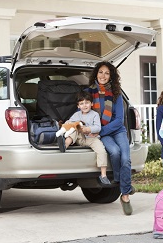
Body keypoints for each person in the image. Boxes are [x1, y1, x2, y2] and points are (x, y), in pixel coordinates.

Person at [86, 61, 135, 216]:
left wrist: (99, 131)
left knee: (126, 159)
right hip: (102, 133)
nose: (103, 76)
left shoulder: (116, 93)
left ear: (111, 76)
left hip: (116, 130)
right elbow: (84, 111)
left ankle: (125, 196)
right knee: (114, 152)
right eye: (101, 72)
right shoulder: (88, 92)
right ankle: (123, 182)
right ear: (96, 74)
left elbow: (119, 119)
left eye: (107, 73)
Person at [57, 91, 110, 185]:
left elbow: (98, 127)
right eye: (81, 103)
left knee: (101, 150)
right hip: (79, 137)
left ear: (92, 104)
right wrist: (67, 125)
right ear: (78, 106)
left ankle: (103, 175)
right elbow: (69, 122)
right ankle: (64, 145)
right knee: (73, 129)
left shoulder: (95, 114)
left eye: (87, 103)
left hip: (91, 138)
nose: (84, 106)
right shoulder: (77, 115)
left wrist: (88, 129)